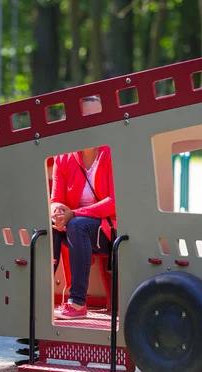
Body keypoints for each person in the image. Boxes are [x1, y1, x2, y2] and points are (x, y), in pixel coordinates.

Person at [50, 96, 116, 320]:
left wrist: (73, 214)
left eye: (98, 117)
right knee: (49, 228)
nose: (94, 122)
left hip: (110, 230)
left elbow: (114, 203)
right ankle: (38, 298)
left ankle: (77, 303)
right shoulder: (64, 157)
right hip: (75, 226)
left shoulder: (111, 152)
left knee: (76, 225)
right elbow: (56, 199)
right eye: (88, 117)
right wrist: (58, 212)